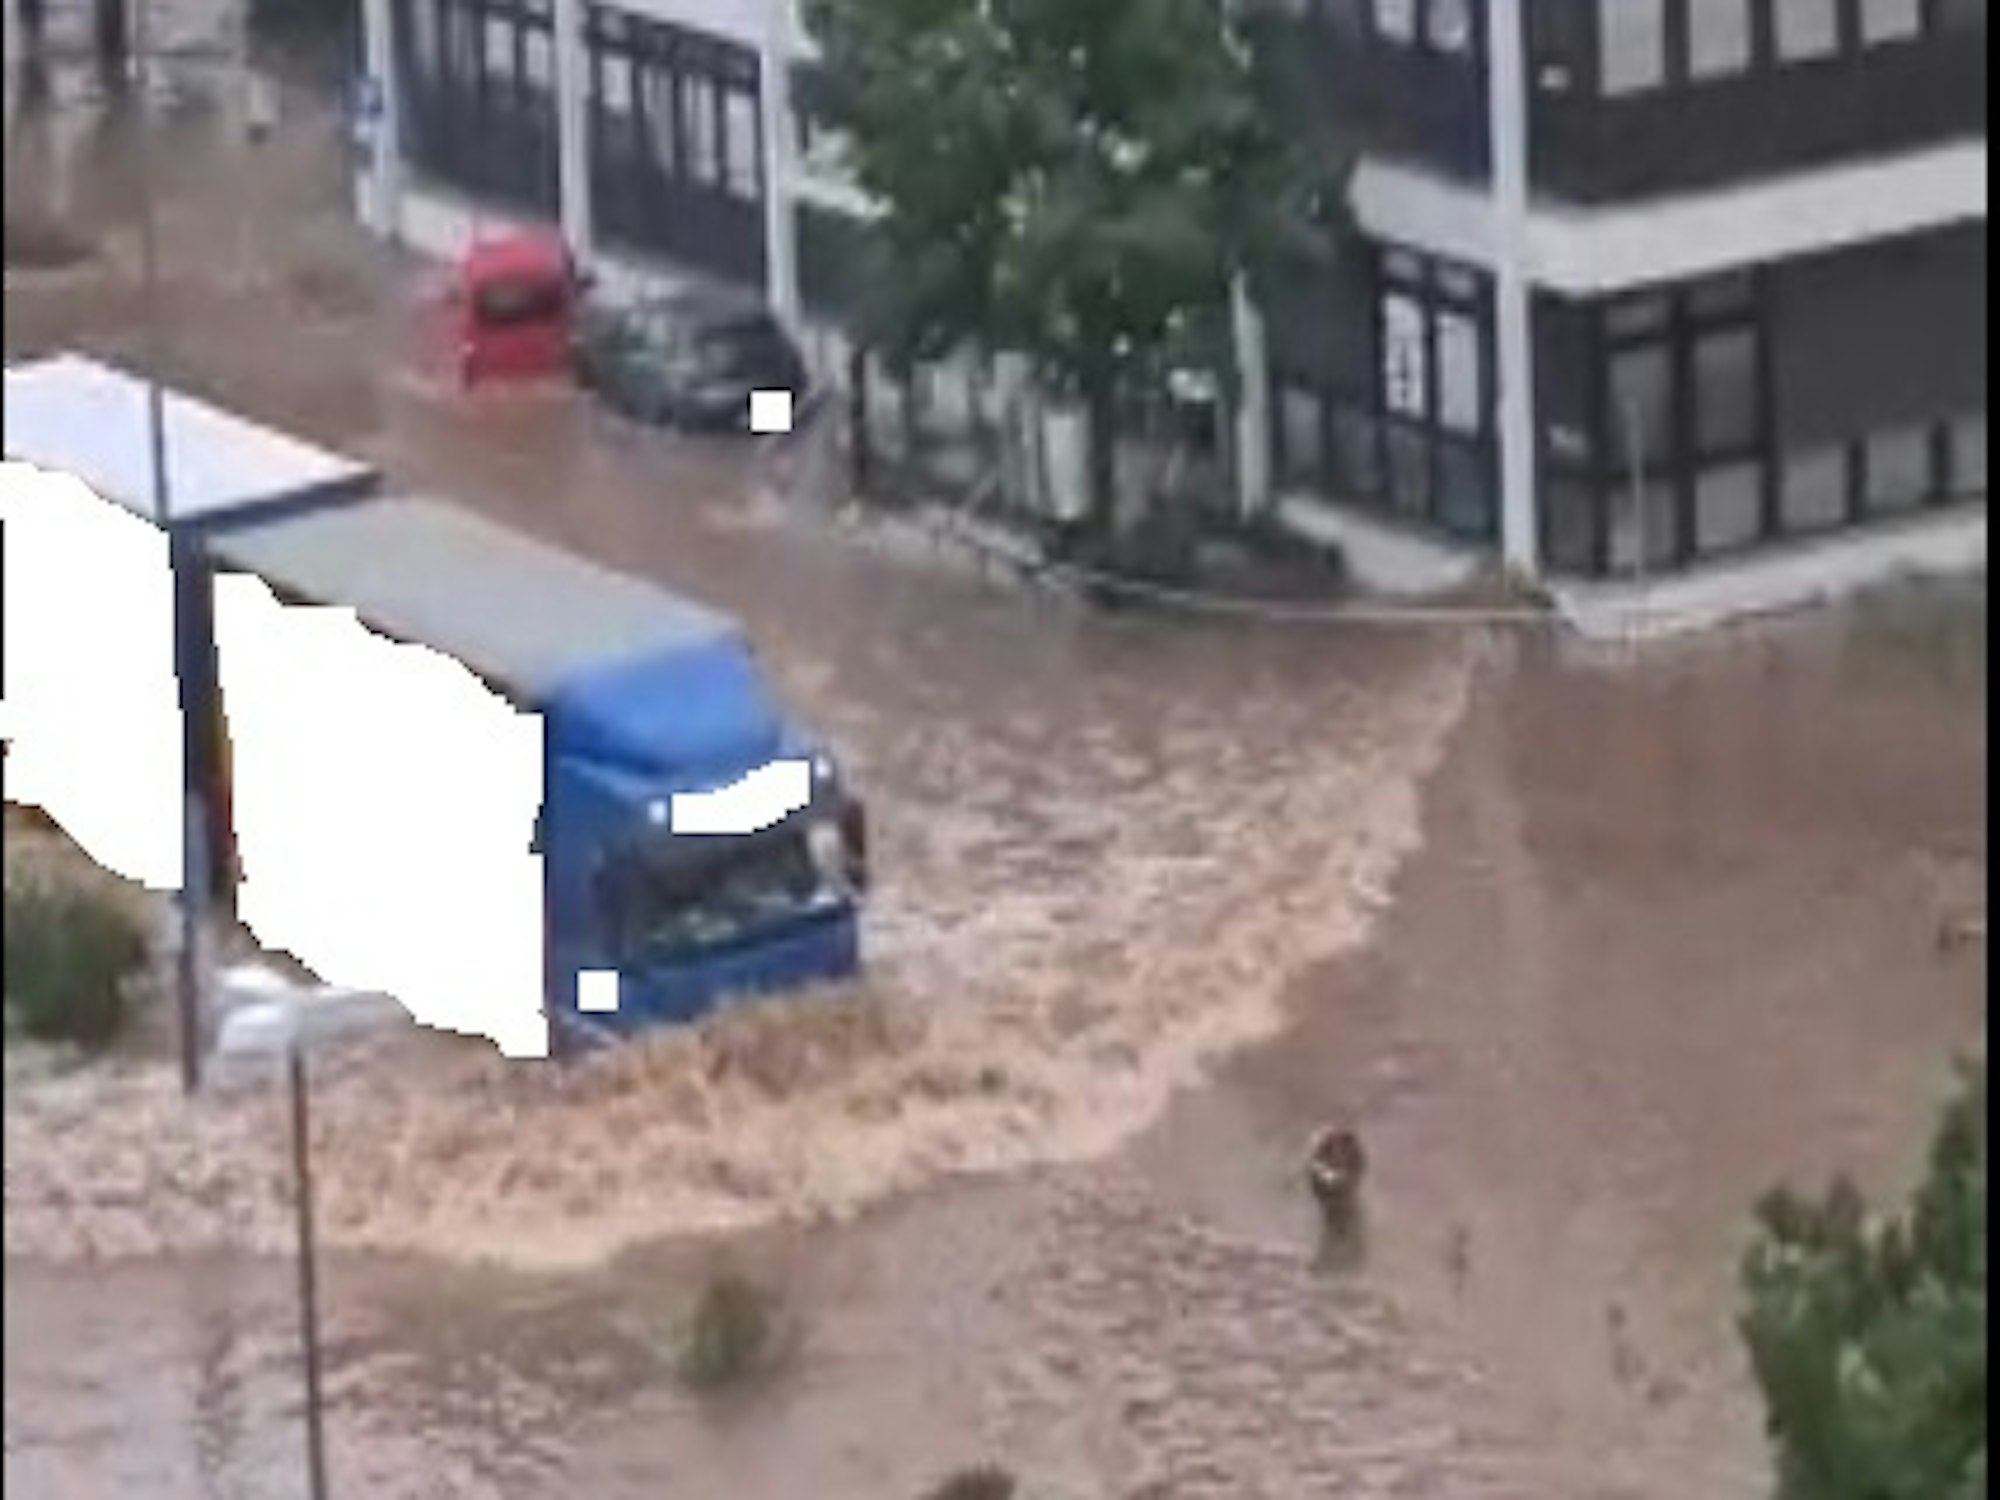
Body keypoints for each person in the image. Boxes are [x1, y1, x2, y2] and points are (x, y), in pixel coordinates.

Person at [1306, 1122, 1368, 1243]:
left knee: (1349, 1221)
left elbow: (1358, 1170)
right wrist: (1331, 1179)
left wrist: (1344, 1180)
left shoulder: (1352, 1150)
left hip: (1343, 1194)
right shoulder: (1321, 1151)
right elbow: (1316, 1171)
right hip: (1330, 1194)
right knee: (1334, 1221)